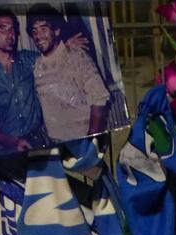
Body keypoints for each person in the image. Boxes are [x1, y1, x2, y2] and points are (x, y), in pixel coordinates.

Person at [0, 8, 48, 156]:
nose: (10, 33)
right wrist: (14, 142)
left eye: (12, 29)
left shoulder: (29, 60)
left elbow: (52, 58)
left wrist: (66, 46)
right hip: (8, 152)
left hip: (38, 144)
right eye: (3, 28)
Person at [29, 6, 114, 139]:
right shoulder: (37, 65)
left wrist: (91, 139)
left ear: (57, 30)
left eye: (43, 29)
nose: (38, 36)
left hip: (81, 138)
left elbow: (100, 98)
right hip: (54, 140)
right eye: (34, 31)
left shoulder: (77, 57)